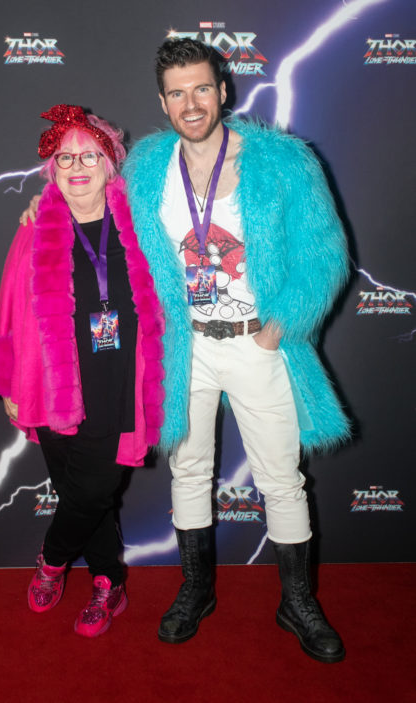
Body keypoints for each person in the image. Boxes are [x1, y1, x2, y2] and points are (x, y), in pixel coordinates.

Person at [121, 39, 350, 661]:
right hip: (184, 349)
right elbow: (105, 226)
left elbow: (325, 253)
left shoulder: (281, 162)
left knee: (282, 478)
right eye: (177, 93)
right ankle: (196, 590)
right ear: (162, 102)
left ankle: (296, 601)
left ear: (223, 91)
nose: (191, 103)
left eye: (202, 88)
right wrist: (45, 209)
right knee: (188, 469)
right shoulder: (146, 168)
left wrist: (280, 326)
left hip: (256, 343)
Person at [0, 104, 164, 638]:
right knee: (81, 494)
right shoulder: (35, 228)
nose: (77, 167)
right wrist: (9, 379)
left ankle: (51, 562)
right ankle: (108, 582)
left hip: (118, 385)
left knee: (92, 491)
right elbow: (8, 306)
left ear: (110, 163)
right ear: (51, 169)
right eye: (65, 158)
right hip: (51, 386)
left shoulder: (142, 223)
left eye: (90, 156)